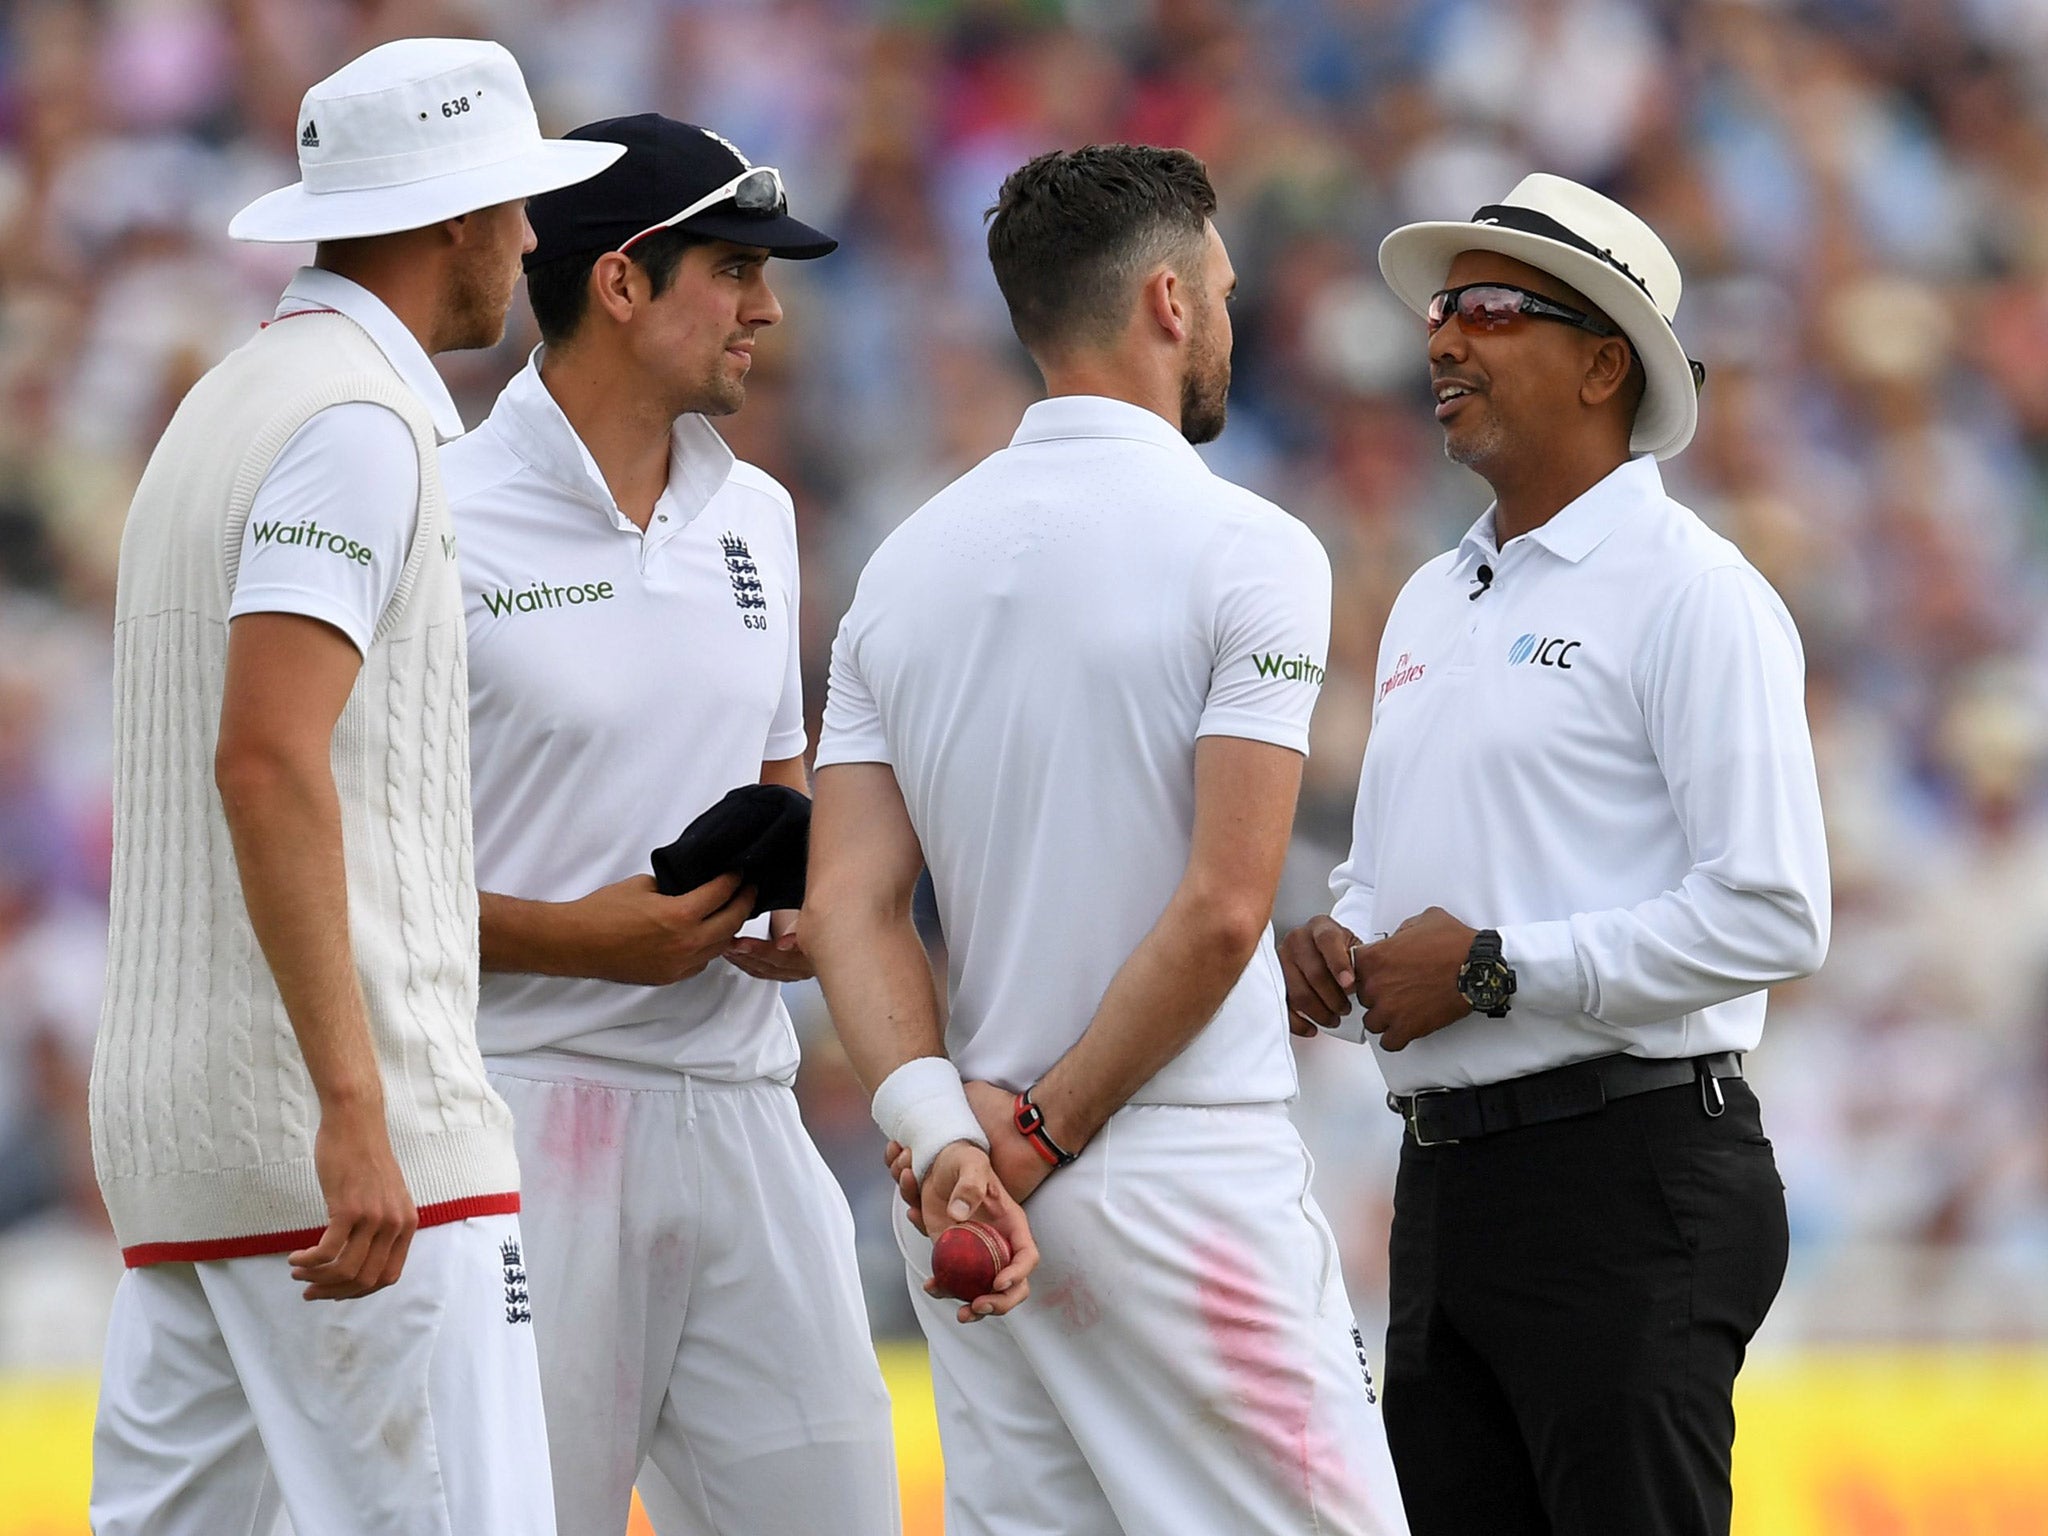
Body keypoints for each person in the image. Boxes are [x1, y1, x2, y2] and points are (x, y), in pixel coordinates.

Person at [804, 143, 1408, 1536]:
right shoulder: (1250, 550)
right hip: (1161, 1160)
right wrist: (1037, 1137)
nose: (1233, 321)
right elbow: (1218, 914)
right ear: (1169, 302)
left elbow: (848, 904)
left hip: (969, 1187)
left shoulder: (904, 565)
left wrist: (947, 1137)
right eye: (1226, 289)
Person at [87, 38, 620, 1536]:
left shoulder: (222, 406)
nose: (529, 244)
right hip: (361, 1168)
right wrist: (352, 1106)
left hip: (191, 1163)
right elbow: (266, 754)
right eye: (512, 211)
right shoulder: (358, 427)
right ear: (451, 223)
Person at [1278, 174, 1830, 1536]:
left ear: (1603, 364)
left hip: (1628, 1172)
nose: (1441, 339)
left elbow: (1775, 912)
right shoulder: (1433, 592)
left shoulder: (1695, 595)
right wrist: (1340, 936)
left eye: (1487, 308)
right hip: (1451, 1180)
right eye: (1440, 311)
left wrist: (1491, 971)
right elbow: (1401, 871)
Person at [438, 115, 900, 1536]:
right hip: (519, 1116)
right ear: (623, 282)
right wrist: (576, 943)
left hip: (743, 1110)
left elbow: (780, 779)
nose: (767, 307)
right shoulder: (438, 513)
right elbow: (334, 876)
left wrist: (806, 899)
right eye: (735, 268)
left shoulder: (756, 512)